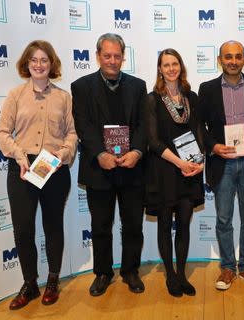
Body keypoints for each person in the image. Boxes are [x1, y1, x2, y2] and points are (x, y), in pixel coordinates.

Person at [0, 40, 77, 309]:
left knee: (53, 226)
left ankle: (52, 280)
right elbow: (3, 134)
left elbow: (72, 134)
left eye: (44, 60)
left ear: (51, 64)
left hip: (54, 167)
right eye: (34, 60)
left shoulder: (64, 97)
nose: (39, 65)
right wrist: (19, 156)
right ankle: (29, 283)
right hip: (23, 168)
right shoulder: (15, 95)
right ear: (26, 64)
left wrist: (62, 155)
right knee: (23, 229)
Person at [71, 33, 147, 296]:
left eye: (117, 56)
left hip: (131, 167)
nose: (113, 61)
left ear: (123, 56)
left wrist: (137, 151)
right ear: (97, 56)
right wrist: (99, 154)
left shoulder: (138, 86)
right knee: (101, 224)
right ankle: (103, 272)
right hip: (98, 169)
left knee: (133, 223)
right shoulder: (81, 86)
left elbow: (142, 124)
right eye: (107, 55)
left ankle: (130, 270)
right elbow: (83, 125)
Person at [198, 40, 244, 290]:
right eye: (228, 57)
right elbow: (199, 127)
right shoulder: (207, 89)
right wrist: (214, 146)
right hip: (222, 163)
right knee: (223, 219)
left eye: (238, 56)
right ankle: (227, 268)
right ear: (220, 60)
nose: (233, 61)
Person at [143, 49, 204, 297]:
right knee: (165, 224)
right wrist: (180, 162)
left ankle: (181, 274)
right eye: (166, 64)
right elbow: (153, 142)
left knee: (185, 225)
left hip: (190, 171)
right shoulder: (152, 99)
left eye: (175, 63)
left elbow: (199, 129)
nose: (171, 68)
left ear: (181, 66)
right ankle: (169, 275)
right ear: (159, 69)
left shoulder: (192, 96)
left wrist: (200, 162)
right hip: (165, 171)